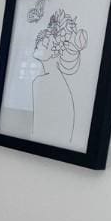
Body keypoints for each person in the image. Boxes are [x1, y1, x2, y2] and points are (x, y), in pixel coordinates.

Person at [32, 9, 88, 145]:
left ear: (56, 52)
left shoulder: (44, 82)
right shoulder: (54, 81)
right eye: (40, 40)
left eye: (45, 44)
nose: (38, 44)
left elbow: (38, 131)